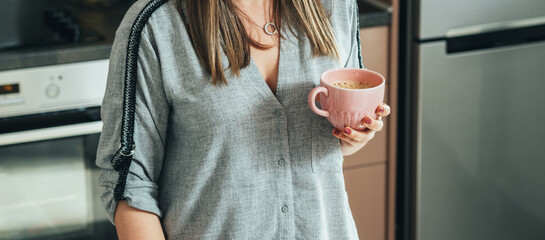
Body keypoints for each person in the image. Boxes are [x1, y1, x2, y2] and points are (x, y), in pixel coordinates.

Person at [96, 0, 391, 239]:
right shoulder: (157, 23)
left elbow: (325, 146)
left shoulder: (335, 7)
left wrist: (353, 135)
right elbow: (129, 183)